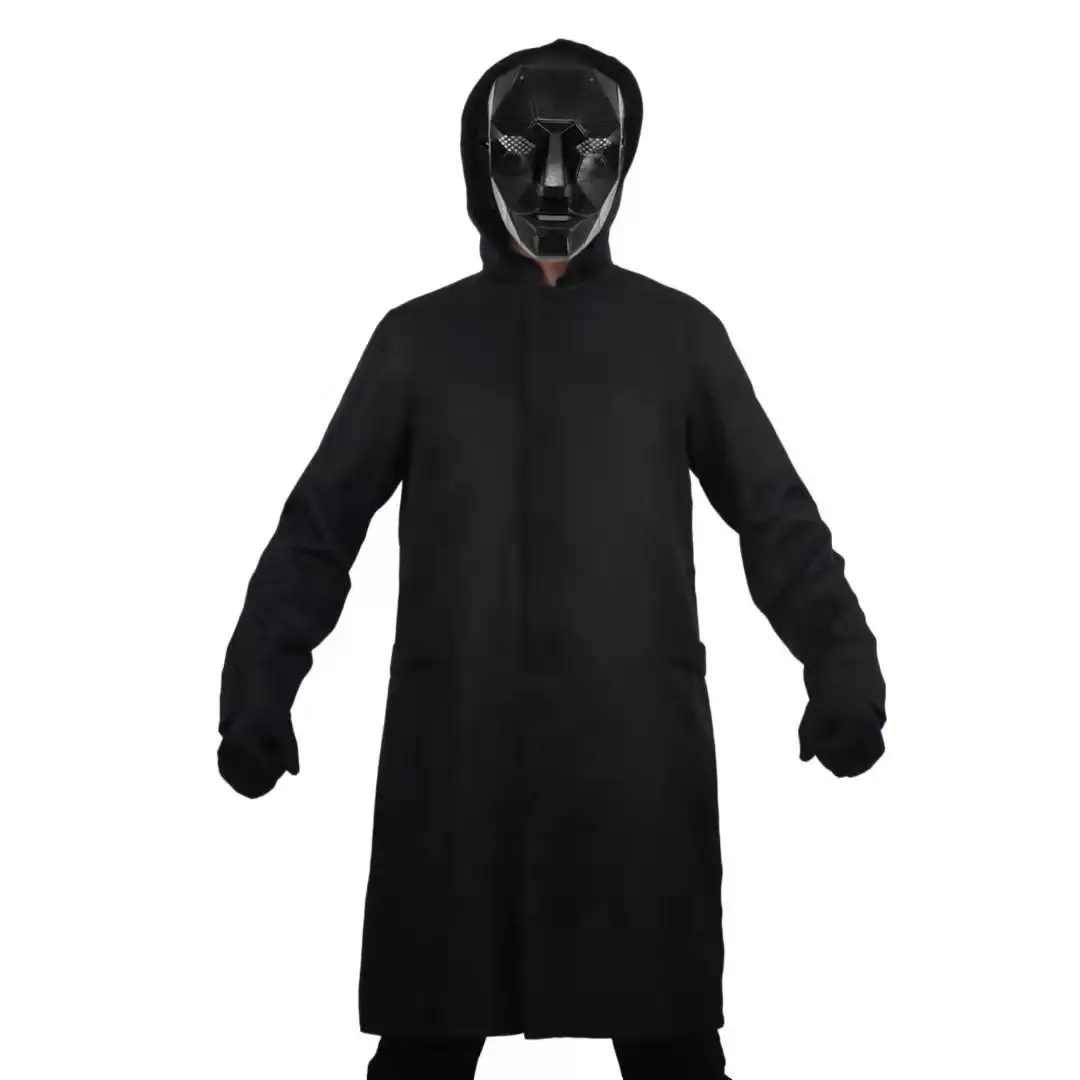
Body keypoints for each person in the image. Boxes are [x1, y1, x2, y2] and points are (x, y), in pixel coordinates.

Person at [218, 37, 886, 1080]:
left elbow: (776, 520)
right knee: (427, 1047)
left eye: (586, 150)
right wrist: (257, 687)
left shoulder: (678, 340)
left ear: (624, 159)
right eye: (529, 148)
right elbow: (319, 529)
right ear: (482, 159)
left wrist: (842, 665)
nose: (558, 178)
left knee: (670, 1049)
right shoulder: (418, 342)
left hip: (631, 764)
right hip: (461, 758)